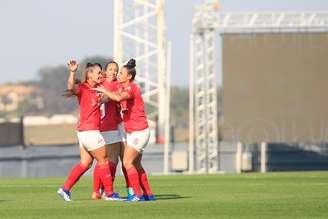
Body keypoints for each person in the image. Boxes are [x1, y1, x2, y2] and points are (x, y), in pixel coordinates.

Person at [57, 60, 121, 201]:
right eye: (99, 72)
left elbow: (107, 97)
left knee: (85, 163)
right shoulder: (83, 88)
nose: (101, 74)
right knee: (104, 161)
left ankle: (65, 188)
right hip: (90, 131)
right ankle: (109, 194)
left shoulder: (98, 88)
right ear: (90, 74)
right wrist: (73, 71)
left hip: (83, 132)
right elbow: (70, 87)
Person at [94, 58, 155, 202]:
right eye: (116, 72)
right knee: (136, 164)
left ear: (129, 76)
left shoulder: (130, 88)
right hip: (135, 131)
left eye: (121, 73)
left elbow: (118, 97)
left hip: (139, 131)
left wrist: (104, 90)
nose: (118, 74)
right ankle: (148, 194)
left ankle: (137, 195)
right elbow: (112, 91)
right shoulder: (121, 86)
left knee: (127, 162)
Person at [92, 61, 127, 199]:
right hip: (109, 125)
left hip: (108, 124)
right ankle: (107, 191)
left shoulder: (100, 85)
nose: (113, 72)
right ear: (105, 71)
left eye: (115, 70)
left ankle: (97, 191)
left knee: (102, 160)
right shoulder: (111, 85)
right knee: (110, 160)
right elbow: (106, 98)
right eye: (111, 69)